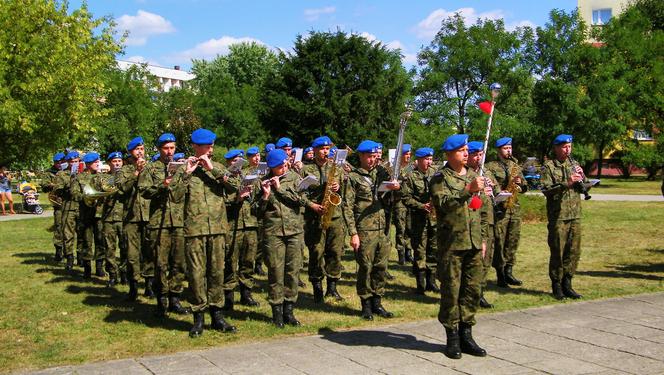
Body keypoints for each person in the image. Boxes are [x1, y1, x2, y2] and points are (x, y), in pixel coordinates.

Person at [430, 134, 488, 359]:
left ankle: (467, 335)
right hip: (452, 244)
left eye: (467, 150)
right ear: (449, 154)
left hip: (473, 242)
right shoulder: (439, 178)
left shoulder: (475, 175)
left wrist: (482, 238)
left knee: (471, 290)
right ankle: (452, 337)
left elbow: (480, 210)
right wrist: (468, 190)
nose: (466, 153)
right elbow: (443, 205)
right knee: (451, 292)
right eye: (461, 150)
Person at [179, 128, 237, 337]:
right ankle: (198, 317)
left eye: (212, 145)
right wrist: (186, 174)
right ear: (195, 146)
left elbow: (236, 188)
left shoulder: (219, 167)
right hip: (194, 230)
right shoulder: (184, 169)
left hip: (218, 229)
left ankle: (217, 316)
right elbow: (174, 196)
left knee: (217, 273)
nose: (211, 149)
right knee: (196, 275)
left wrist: (214, 170)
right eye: (207, 145)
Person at [344, 140, 400, 320]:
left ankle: (377, 301)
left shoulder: (381, 174)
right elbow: (347, 206)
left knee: (381, 266)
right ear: (361, 156)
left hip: (382, 228)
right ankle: (366, 304)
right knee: (365, 267)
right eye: (369, 156)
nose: (372, 160)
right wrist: (353, 233)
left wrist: (395, 187)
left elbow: (395, 197)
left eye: (375, 156)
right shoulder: (353, 177)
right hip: (364, 230)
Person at [138, 133, 189, 317]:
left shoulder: (182, 168)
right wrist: (163, 185)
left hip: (179, 221)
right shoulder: (151, 168)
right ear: (160, 149)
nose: (169, 152)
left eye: (172, 148)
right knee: (160, 263)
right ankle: (161, 299)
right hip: (159, 222)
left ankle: (175, 297)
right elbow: (143, 191)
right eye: (166, 148)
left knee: (179, 262)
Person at [256, 149, 307, 327]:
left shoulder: (295, 178)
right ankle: (276, 311)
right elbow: (256, 212)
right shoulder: (261, 182)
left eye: (284, 163)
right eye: (279, 166)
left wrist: (280, 189)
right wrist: (265, 195)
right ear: (271, 167)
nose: (283, 167)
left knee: (292, 271)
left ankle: (289, 311)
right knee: (276, 272)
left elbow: (301, 201)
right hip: (273, 233)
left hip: (294, 232)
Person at [540, 134, 588, 300]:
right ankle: (556, 284)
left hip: (575, 215)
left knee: (573, 250)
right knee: (558, 252)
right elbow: (546, 190)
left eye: (569, 146)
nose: (568, 149)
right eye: (564, 147)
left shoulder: (574, 164)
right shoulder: (549, 167)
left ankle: (568, 282)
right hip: (558, 216)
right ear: (556, 148)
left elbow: (584, 187)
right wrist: (566, 182)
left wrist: (583, 178)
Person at [301, 136, 345, 303]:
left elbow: (342, 192)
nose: (325, 152)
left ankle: (332, 288)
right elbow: (300, 194)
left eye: (327, 149)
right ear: (315, 150)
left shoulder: (336, 168)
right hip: (314, 216)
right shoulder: (305, 169)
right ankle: (317, 287)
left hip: (334, 216)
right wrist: (312, 205)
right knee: (316, 252)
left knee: (335, 252)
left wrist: (337, 186)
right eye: (322, 149)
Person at [485, 137, 528, 288]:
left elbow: (525, 186)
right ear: (498, 150)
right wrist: (501, 190)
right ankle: (500, 273)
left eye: (510, 148)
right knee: (499, 241)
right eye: (505, 148)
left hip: (514, 208)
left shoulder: (515, 165)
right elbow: (491, 184)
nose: (508, 150)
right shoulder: (490, 166)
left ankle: (509, 270)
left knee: (513, 240)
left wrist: (520, 184)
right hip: (500, 209)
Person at [115, 137, 154, 301]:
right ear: (130, 152)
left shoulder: (151, 168)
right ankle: (133, 286)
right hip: (131, 217)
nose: (140, 152)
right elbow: (121, 189)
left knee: (150, 252)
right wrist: (136, 173)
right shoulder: (123, 171)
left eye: (142, 149)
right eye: (137, 149)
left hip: (149, 216)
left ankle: (149, 286)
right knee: (132, 254)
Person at [223, 148, 260, 309]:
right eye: (233, 161)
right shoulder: (223, 179)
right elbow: (221, 204)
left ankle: (246, 293)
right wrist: (237, 198)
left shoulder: (249, 176)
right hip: (233, 225)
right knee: (230, 261)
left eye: (239, 161)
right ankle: (228, 296)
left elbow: (257, 200)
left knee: (248, 260)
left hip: (250, 224)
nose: (237, 164)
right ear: (228, 163)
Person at [401, 147, 439, 295]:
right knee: (420, 250)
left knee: (433, 249)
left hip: (434, 220)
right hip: (418, 218)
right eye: (426, 159)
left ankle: (432, 281)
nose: (429, 162)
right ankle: (420, 283)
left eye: (430, 159)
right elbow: (405, 198)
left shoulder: (436, 175)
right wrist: (422, 206)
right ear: (419, 160)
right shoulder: (411, 177)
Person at [466, 141, 497, 308]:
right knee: (474, 261)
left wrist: (492, 190)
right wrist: (477, 193)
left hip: (489, 221)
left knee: (487, 260)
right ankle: (471, 293)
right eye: (475, 155)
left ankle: (480, 292)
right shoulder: (466, 176)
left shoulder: (486, 172)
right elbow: (467, 204)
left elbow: (498, 193)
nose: (478, 158)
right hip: (473, 224)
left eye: (480, 155)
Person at [70, 152, 103, 279]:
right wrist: (86, 197)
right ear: (88, 164)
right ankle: (87, 268)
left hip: (99, 214)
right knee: (86, 242)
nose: (97, 164)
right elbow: (74, 194)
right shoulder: (79, 178)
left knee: (100, 240)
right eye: (95, 162)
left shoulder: (102, 177)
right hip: (85, 214)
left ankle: (100, 267)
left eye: (98, 162)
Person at [98, 152, 126, 287]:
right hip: (108, 217)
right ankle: (113, 275)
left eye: (119, 161)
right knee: (109, 249)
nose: (117, 163)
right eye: (114, 161)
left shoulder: (126, 177)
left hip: (124, 217)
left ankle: (125, 274)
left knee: (125, 247)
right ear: (109, 163)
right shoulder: (106, 179)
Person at [53, 151, 81, 271]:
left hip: (81, 208)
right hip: (68, 208)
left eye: (76, 161)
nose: (74, 163)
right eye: (72, 162)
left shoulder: (84, 174)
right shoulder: (61, 174)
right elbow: (57, 189)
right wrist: (70, 180)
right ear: (68, 162)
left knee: (82, 235)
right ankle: (69, 258)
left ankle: (81, 258)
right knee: (68, 235)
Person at [42, 152, 66, 261]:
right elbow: (44, 185)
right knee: (59, 227)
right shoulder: (49, 173)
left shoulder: (70, 171)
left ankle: (71, 253)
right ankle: (58, 251)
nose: (59, 164)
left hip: (71, 203)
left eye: (61, 162)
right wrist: (55, 185)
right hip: (58, 204)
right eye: (57, 162)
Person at [393, 144, 414, 266]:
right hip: (399, 202)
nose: (408, 156)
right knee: (401, 229)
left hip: (410, 201)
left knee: (409, 229)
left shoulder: (412, 168)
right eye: (406, 154)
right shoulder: (395, 169)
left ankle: (408, 252)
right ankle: (401, 254)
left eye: (409, 154)